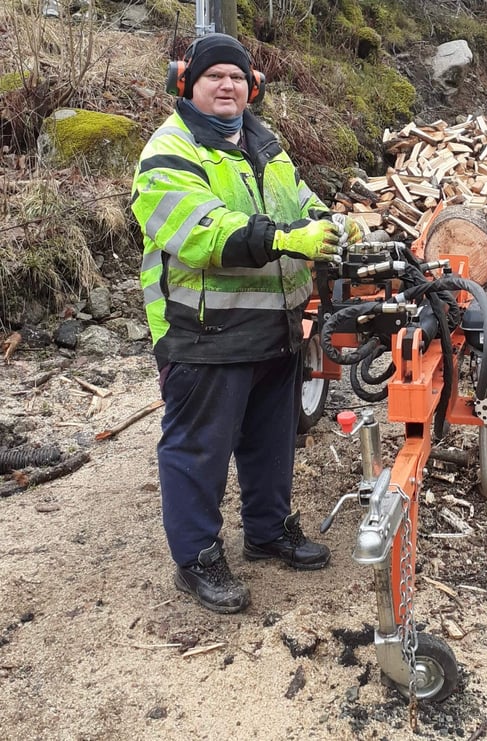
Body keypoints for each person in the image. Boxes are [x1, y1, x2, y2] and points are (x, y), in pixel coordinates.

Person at [131, 33, 361, 614]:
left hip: (274, 328)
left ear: (252, 86)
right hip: (204, 333)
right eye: (214, 77)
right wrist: (287, 239)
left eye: (237, 76)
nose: (227, 85)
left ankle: (267, 530)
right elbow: (201, 232)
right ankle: (197, 557)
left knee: (270, 440)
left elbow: (298, 202)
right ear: (187, 84)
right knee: (198, 450)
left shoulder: (264, 144)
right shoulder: (169, 152)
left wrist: (329, 224)